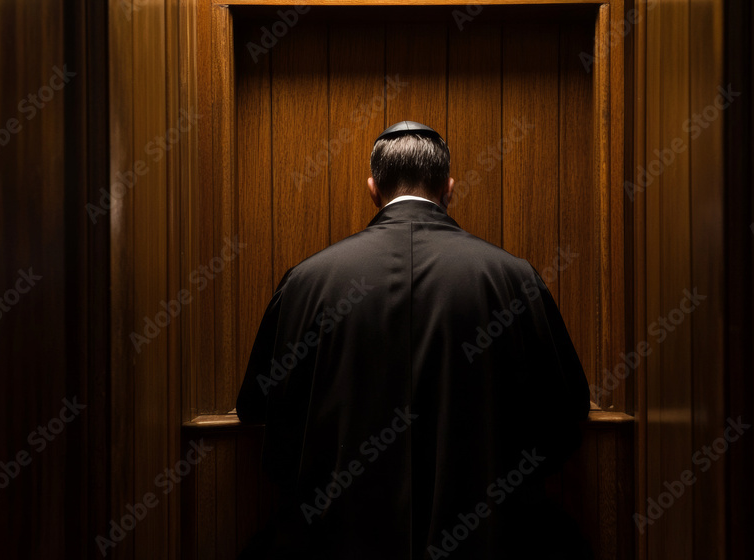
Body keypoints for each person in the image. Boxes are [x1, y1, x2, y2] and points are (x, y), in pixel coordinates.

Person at [235, 121, 592, 560]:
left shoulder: (306, 282)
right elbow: (566, 409)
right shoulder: (513, 277)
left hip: (338, 541)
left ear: (372, 188)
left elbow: (256, 408)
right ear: (449, 187)